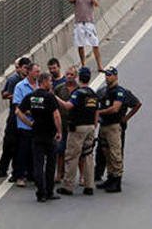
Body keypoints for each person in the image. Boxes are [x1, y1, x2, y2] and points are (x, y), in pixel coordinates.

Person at [17, 73, 62, 202]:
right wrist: (59, 131)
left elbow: (18, 111)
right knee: (50, 165)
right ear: (44, 82)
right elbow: (56, 116)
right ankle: (49, 191)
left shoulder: (31, 97)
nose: (52, 83)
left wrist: (29, 123)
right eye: (50, 81)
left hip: (36, 134)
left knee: (38, 164)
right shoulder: (49, 97)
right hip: (49, 135)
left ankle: (40, 192)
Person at [57, 66, 98, 196]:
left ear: (79, 77)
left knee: (72, 156)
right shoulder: (93, 93)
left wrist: (55, 97)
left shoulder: (78, 93)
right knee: (88, 156)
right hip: (91, 127)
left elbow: (68, 106)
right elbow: (96, 111)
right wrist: (94, 125)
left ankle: (68, 186)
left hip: (77, 128)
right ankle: (89, 185)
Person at [0, 56, 31, 179]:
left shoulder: (30, 81)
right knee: (9, 142)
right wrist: (16, 96)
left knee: (21, 145)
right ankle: (3, 168)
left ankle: (19, 171)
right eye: (24, 68)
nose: (26, 71)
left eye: (28, 68)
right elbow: (5, 94)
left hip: (25, 116)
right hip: (14, 113)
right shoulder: (13, 80)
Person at [96, 67, 128, 193]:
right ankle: (110, 176)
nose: (107, 77)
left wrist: (100, 112)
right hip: (104, 125)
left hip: (113, 126)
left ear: (115, 76)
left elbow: (115, 108)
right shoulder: (104, 91)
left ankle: (117, 180)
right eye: (106, 75)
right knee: (106, 152)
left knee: (115, 153)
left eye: (109, 75)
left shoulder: (119, 91)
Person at [12, 61, 41, 187]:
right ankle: (20, 175)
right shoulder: (20, 86)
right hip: (25, 124)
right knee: (23, 150)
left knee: (35, 151)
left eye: (39, 72)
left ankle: (33, 174)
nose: (38, 74)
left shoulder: (40, 85)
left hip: (38, 124)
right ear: (29, 72)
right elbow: (18, 106)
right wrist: (32, 113)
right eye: (36, 71)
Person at [68, 0, 103, 72]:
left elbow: (96, 3)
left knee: (95, 44)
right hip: (79, 24)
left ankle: (99, 65)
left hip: (89, 23)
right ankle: (83, 64)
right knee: (80, 45)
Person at [53, 65, 78, 182]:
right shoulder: (59, 88)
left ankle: (80, 176)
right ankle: (59, 174)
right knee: (60, 149)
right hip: (61, 124)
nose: (69, 77)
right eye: (67, 74)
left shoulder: (79, 90)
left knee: (78, 151)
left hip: (75, 124)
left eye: (71, 75)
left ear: (76, 76)